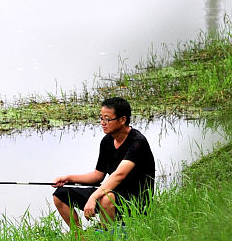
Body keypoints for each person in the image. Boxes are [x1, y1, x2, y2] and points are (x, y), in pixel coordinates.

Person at [52, 96, 155, 229]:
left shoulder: (137, 142)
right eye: (101, 118)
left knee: (106, 198)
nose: (102, 123)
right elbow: (97, 175)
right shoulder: (107, 141)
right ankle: (79, 238)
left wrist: (94, 197)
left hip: (136, 201)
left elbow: (119, 175)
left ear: (122, 120)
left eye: (107, 119)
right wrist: (68, 178)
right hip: (111, 192)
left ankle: (109, 236)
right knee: (60, 195)